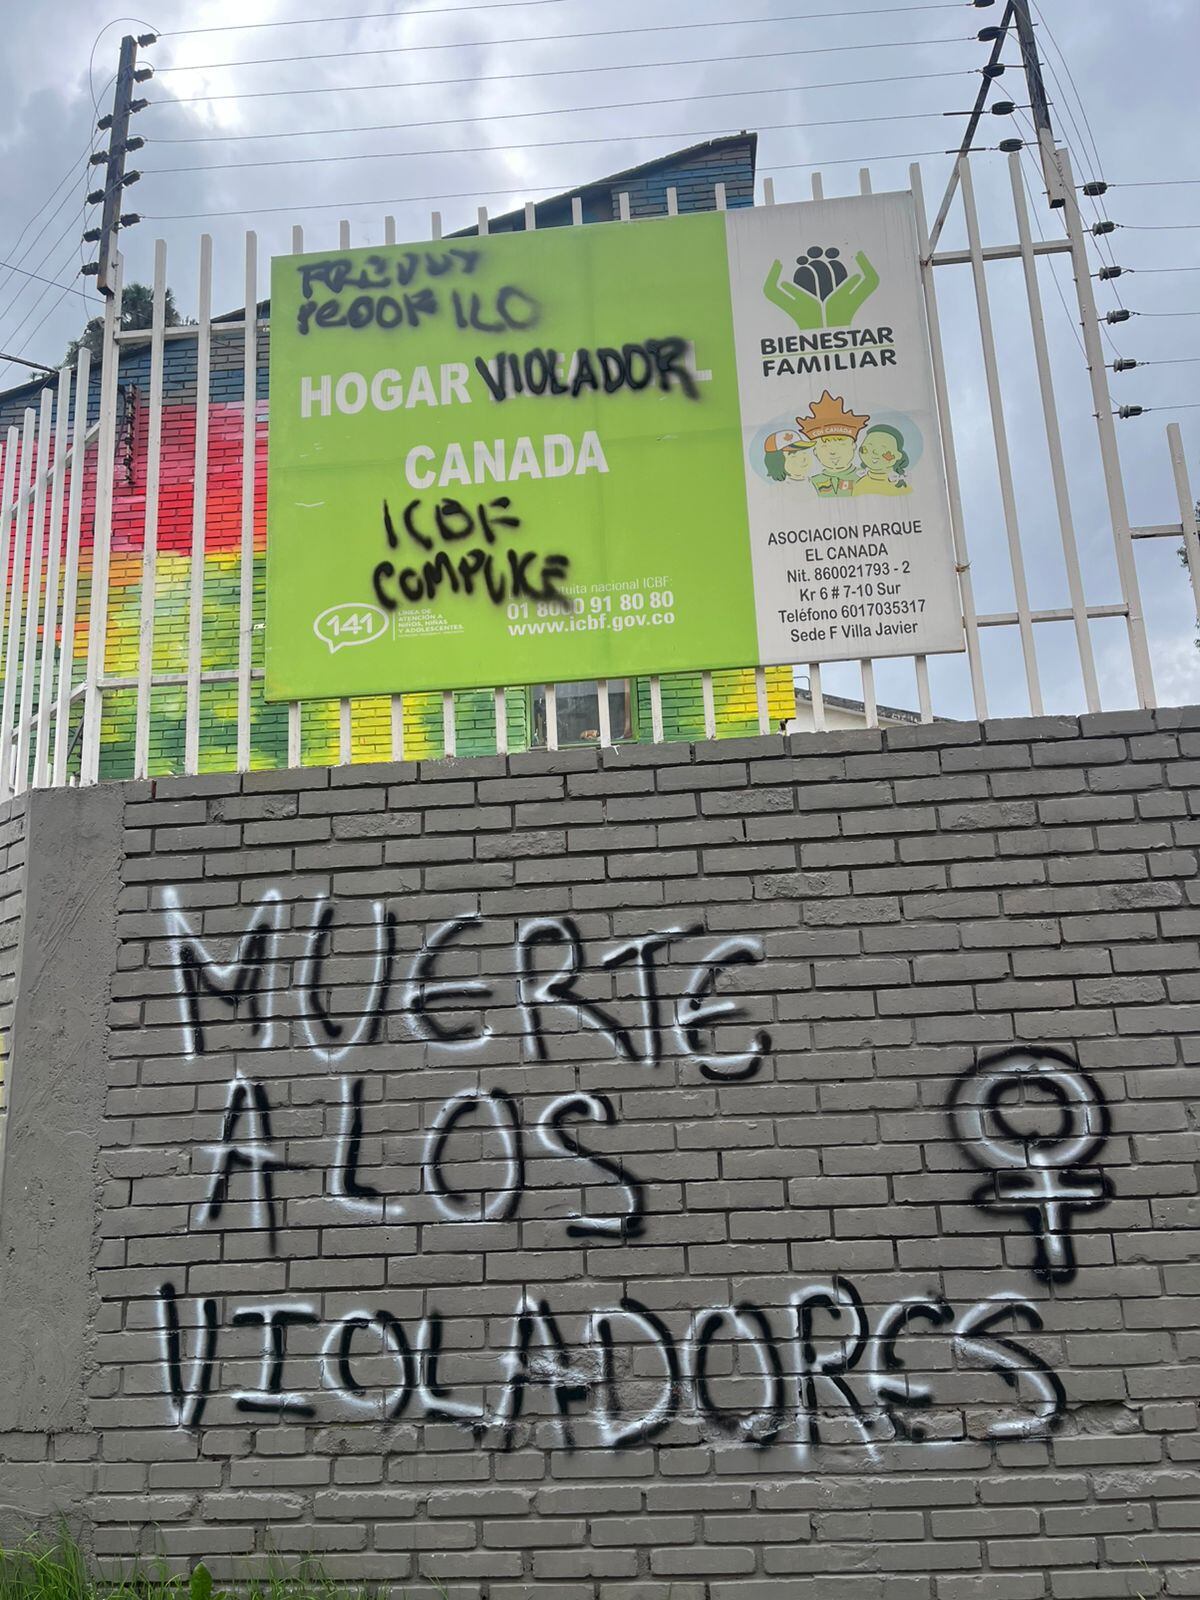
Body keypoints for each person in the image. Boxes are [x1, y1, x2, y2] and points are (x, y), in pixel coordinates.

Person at [795, 390, 869, 497]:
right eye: (824, 446)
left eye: (841, 444)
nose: (833, 452)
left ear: (853, 445)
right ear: (815, 451)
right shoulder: (811, 483)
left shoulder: (864, 478)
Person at [852, 424, 912, 496]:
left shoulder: (898, 485)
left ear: (898, 455)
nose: (874, 452)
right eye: (869, 445)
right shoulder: (860, 484)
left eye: (883, 447)